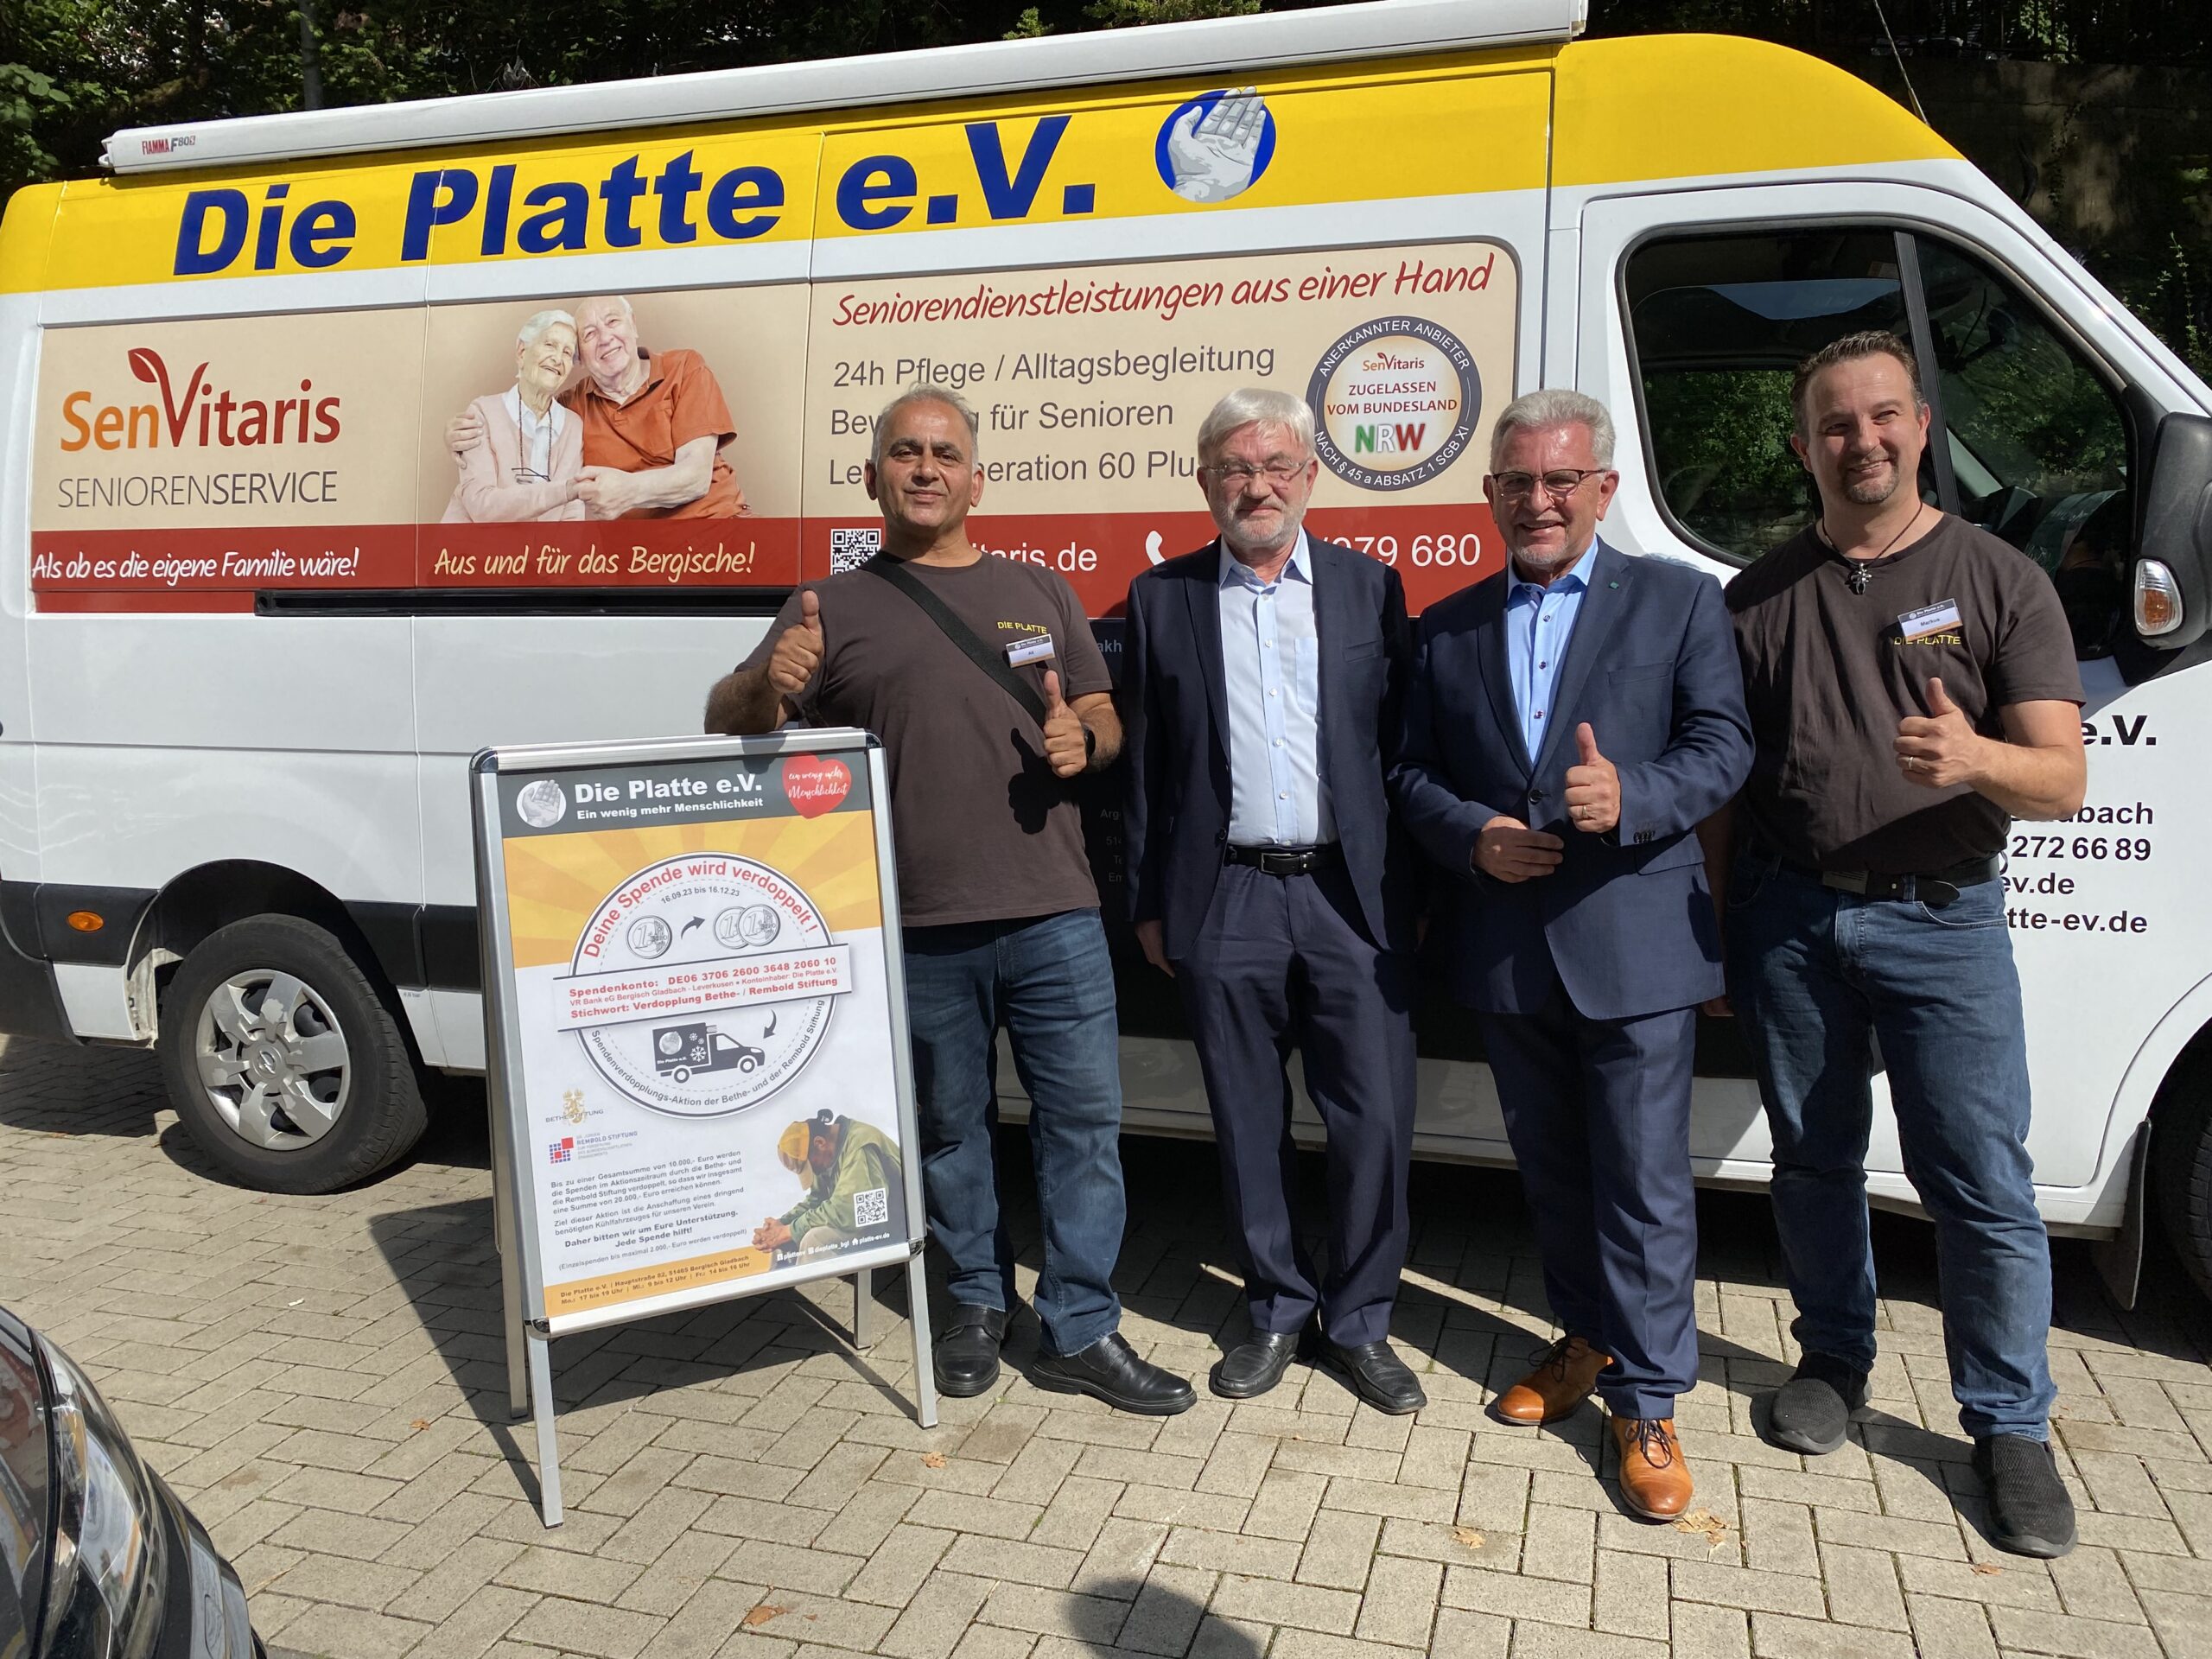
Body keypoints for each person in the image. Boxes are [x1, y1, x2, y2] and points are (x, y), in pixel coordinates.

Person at [704, 385, 1194, 1416]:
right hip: (918, 923)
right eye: (905, 452)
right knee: (947, 1130)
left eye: (944, 454)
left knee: (1083, 1127)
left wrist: (1086, 740)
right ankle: (974, 1302)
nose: (925, 468)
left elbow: (1103, 713)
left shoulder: (1039, 589)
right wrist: (769, 686)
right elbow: (728, 722)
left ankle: (1079, 1325)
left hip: (1056, 914)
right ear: (871, 476)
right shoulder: (826, 606)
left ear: (977, 480)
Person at [1713, 330, 2087, 1558]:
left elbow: (2063, 779)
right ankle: (1833, 1358)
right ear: (1802, 446)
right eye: (1834, 423)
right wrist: (1720, 925)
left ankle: (2009, 1425)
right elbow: (1726, 788)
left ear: (1923, 427)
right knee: (1814, 1160)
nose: (1860, 441)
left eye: (1882, 416)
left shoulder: (1997, 579)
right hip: (1790, 917)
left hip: (1944, 922)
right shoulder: (1756, 597)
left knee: (1977, 1177)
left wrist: (1975, 758)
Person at [1391, 389, 1750, 1520]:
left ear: (1603, 488)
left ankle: (1648, 1400)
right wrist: (1471, 835)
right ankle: (1587, 1340)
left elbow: (1724, 744)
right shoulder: (1446, 625)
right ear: (1489, 494)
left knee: (1642, 1183)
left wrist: (1634, 793)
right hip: (1508, 949)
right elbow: (1408, 771)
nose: (1538, 500)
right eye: (1518, 482)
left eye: (1560, 480)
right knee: (1551, 1174)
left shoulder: (1679, 600)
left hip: (1634, 947)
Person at [1122, 387, 1422, 1412]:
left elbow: (1401, 752)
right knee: (1247, 1121)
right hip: (1225, 898)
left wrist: (1413, 892)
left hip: (1350, 898)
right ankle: (1277, 1308)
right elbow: (1148, 770)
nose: (1257, 486)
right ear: (1204, 480)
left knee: (1373, 1120)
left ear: (1310, 477)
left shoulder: (1368, 588)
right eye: (1236, 468)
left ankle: (1361, 1320)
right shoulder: (1161, 598)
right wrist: (1151, 904)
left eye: (1277, 466)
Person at [451, 295, 744, 518]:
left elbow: (695, 477)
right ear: (580, 359)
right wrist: (458, 435)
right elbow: (516, 422)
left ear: (633, 325)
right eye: (589, 334)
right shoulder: (570, 409)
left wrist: (628, 490)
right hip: (639, 559)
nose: (605, 339)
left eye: (613, 322)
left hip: (719, 528)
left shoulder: (684, 368)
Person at [442, 308, 587, 523]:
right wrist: (564, 490)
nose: (558, 358)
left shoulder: (573, 426)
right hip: (474, 543)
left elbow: (573, 512)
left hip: (542, 546)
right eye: (550, 345)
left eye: (567, 352)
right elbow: (482, 506)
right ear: (521, 352)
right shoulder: (482, 413)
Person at [753, 1109, 904, 1255]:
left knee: (815, 1240)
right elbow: (819, 1198)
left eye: (811, 1166)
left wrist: (790, 1231)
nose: (814, 1172)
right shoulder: (827, 1153)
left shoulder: (859, 1146)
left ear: (819, 1143)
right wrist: (781, 1225)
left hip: (892, 1230)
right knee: (782, 1244)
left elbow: (853, 1211)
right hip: (865, 1222)